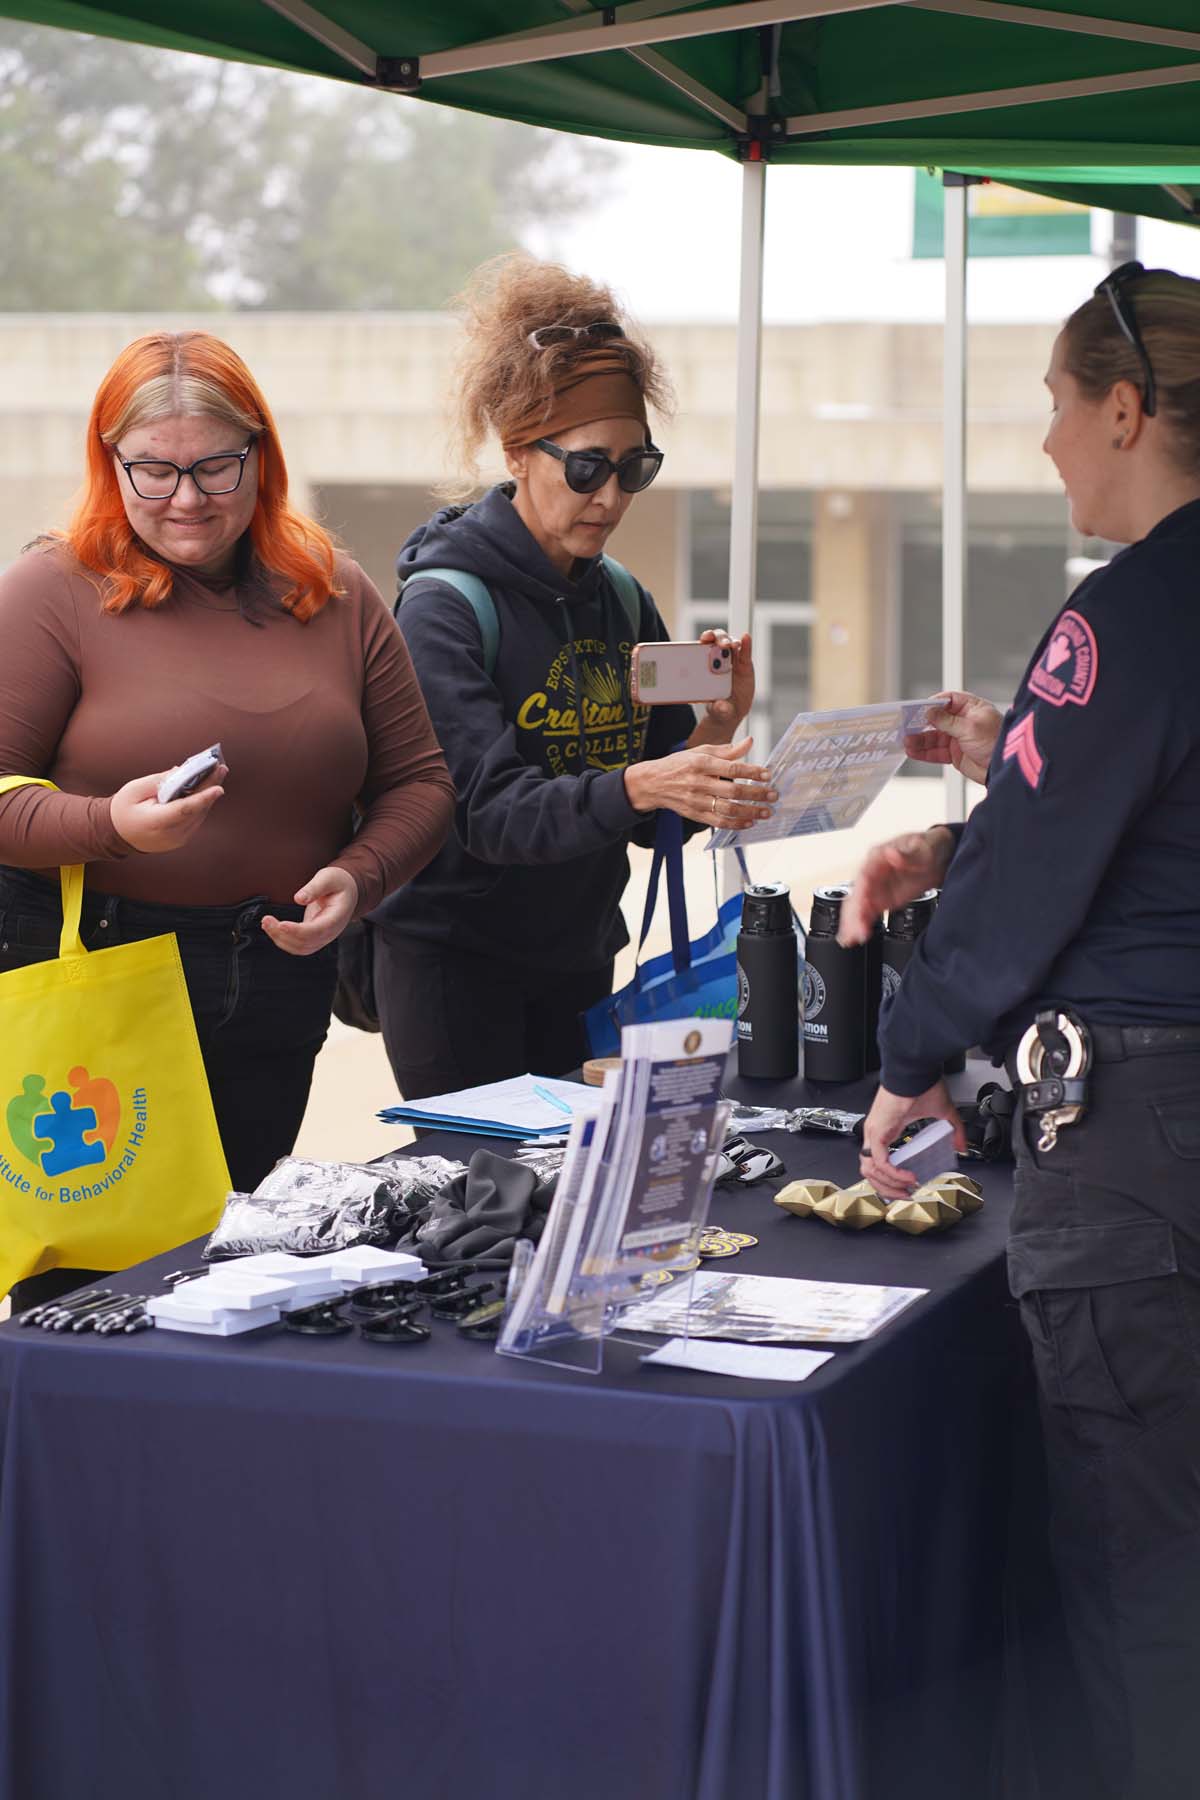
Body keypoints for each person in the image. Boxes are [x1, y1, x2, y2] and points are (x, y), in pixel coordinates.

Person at [841, 265, 1200, 1799]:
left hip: (1143, 1158)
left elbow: (1024, 893)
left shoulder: (1126, 615)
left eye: (1056, 405)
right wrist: (1005, 784)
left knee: (1147, 1579)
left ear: (1124, 409)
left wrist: (909, 1057)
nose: (1047, 443)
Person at [0, 330, 455, 1293]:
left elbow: (421, 785)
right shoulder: (54, 589)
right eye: (153, 470)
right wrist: (109, 826)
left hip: (277, 976)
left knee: (235, 1283)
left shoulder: (332, 589)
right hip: (103, 977)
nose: (187, 498)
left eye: (215, 466)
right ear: (109, 462)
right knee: (89, 1297)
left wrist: (359, 877)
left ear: (261, 454)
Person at [371, 257, 773, 1097]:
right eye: (587, 467)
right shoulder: (444, 608)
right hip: (455, 972)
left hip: (581, 961)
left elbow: (651, 818)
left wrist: (714, 732)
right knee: (483, 1183)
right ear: (519, 452)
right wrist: (642, 783)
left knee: (576, 1177)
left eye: (636, 468)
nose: (611, 496)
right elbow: (489, 814)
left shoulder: (621, 599)